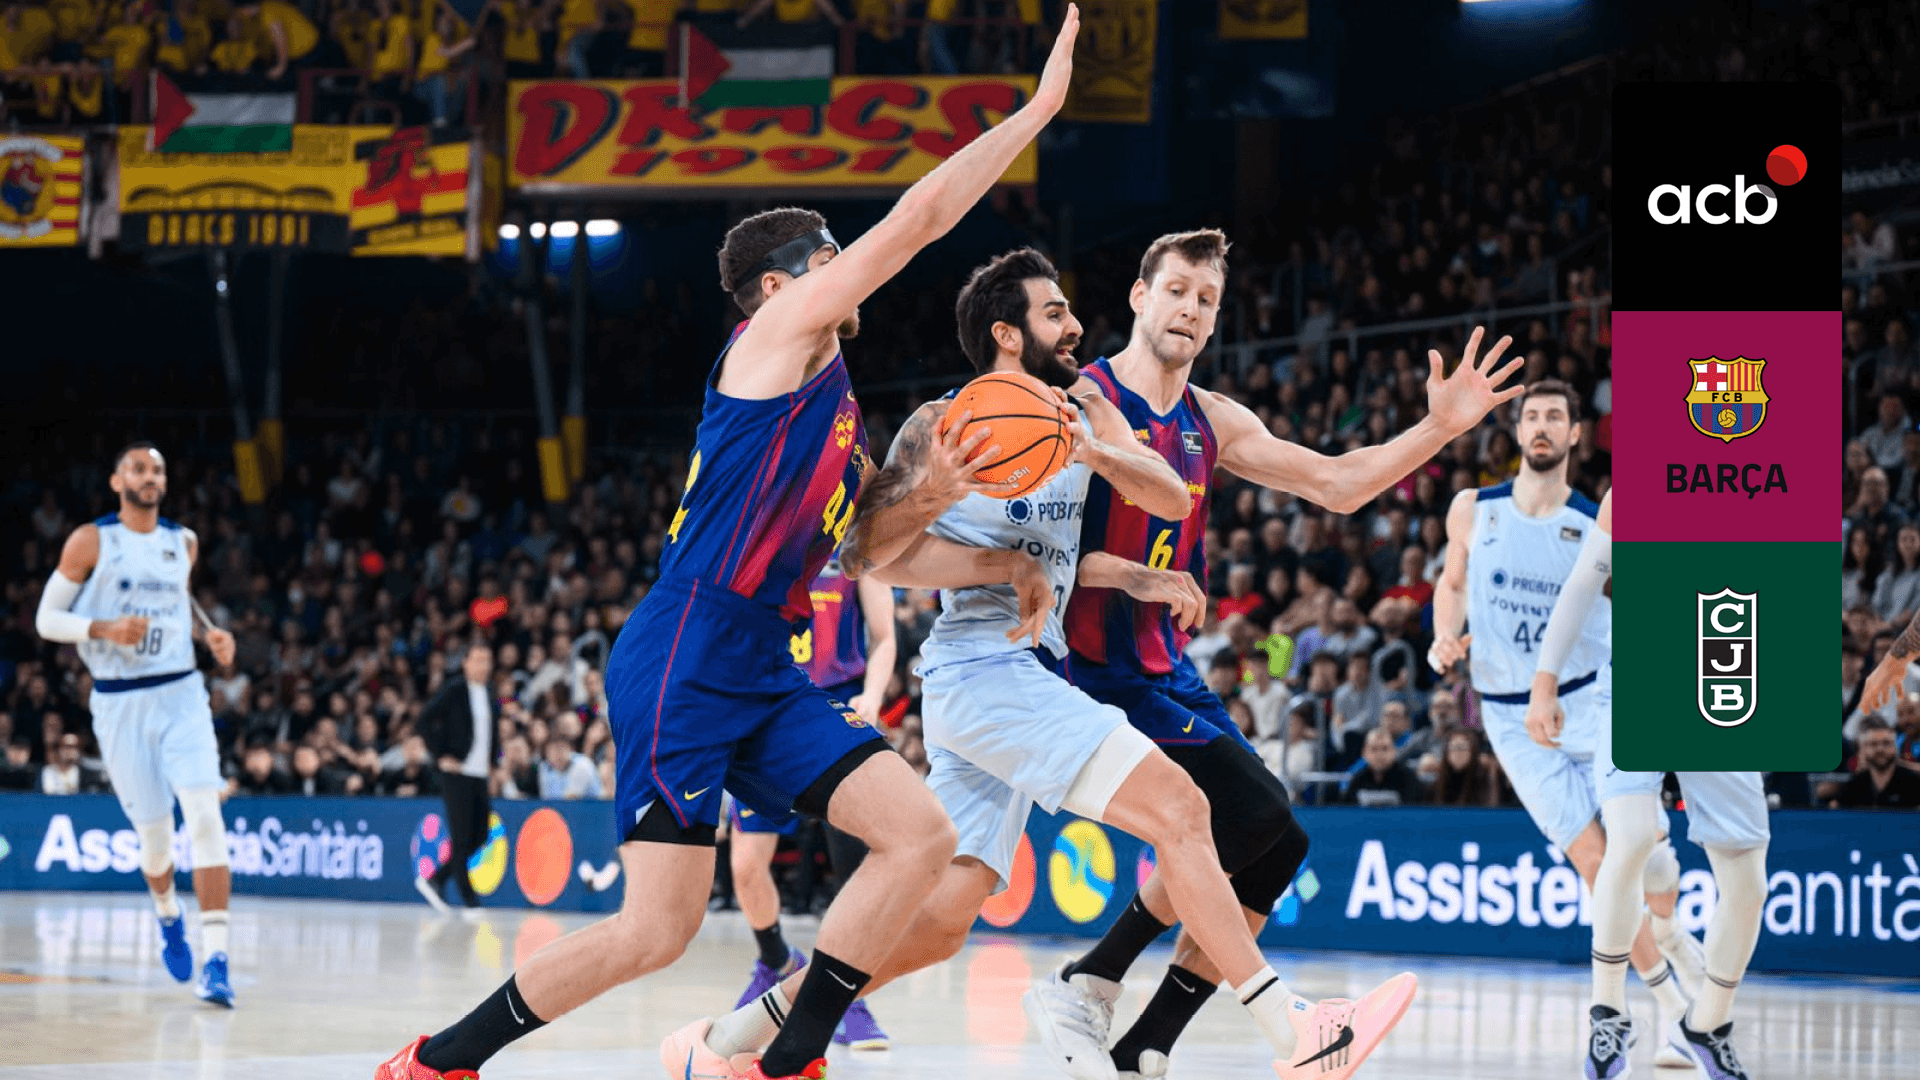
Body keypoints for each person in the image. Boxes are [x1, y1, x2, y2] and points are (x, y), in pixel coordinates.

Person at [379, 12, 1082, 1080]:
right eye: (828, 257)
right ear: (779, 286)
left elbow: (874, 554)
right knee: (654, 932)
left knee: (920, 838)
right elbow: (921, 219)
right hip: (688, 646)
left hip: (763, 659)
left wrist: (985, 543)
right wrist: (1035, 112)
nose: (846, 268)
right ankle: (437, 1060)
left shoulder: (838, 412)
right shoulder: (770, 342)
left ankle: (786, 1058)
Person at [682, 242, 1415, 1080]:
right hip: (979, 667)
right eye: (1055, 312)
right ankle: (1294, 1031)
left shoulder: (1086, 409)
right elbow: (867, 555)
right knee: (1181, 807)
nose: (1074, 326)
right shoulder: (941, 421)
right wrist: (958, 516)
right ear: (1007, 333)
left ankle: (733, 1039)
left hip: (1027, 669)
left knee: (943, 921)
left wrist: (1098, 461)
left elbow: (1168, 495)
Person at [1043, 227, 1524, 1080]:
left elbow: (1339, 485)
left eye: (1207, 299)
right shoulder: (1081, 400)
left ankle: (1146, 1045)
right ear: (1140, 296)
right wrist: (1136, 577)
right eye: (1177, 290)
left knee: (1279, 846)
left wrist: (1439, 427)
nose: (1191, 309)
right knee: (1254, 811)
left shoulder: (1213, 419)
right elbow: (1035, 555)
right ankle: (1094, 974)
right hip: (1093, 672)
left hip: (1167, 669)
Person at [1435, 383, 1704, 1068]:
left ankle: (1673, 936)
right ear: (1516, 430)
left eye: (1555, 416)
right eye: (1531, 416)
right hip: (1509, 717)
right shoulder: (1473, 507)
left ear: (1576, 433)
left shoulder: (1596, 521)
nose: (1542, 426)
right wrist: (1443, 635)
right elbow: (1452, 584)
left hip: (1595, 700)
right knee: (1595, 862)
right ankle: (1672, 1010)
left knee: (1651, 864)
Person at [1528, 488, 1773, 1080]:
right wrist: (1545, 680)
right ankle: (1609, 1014)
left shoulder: (1771, 482)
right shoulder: (1636, 490)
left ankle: (1706, 1025)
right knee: (1633, 837)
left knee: (1748, 882)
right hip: (1639, 680)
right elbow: (1585, 582)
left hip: (1727, 680)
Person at [34, 442, 240, 1007]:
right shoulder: (91, 541)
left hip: (181, 694)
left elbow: (179, 603)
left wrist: (210, 636)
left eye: (158, 470)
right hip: (120, 702)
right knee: (155, 840)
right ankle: (168, 913)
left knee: (205, 816)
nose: (150, 477)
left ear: (165, 484)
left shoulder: (183, 542)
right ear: (117, 480)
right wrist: (101, 629)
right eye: (139, 469)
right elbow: (47, 619)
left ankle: (217, 961)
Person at [727, 560, 897, 1051]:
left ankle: (847, 997)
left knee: (851, 869)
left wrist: (872, 695)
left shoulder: (859, 547)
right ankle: (776, 963)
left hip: (835, 709)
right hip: (770, 709)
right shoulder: (768, 543)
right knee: (745, 867)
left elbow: (885, 636)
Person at [413, 643, 499, 917]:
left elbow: (491, 733)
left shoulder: (489, 692)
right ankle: (469, 901)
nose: (484, 665)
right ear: (465, 663)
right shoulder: (455, 690)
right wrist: (440, 755)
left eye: (488, 660)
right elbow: (424, 721)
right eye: (478, 660)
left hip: (480, 775)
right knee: (461, 838)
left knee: (480, 835)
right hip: (456, 774)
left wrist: (494, 763)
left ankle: (435, 879)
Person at [1829, 716, 1920, 809]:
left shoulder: (1913, 783)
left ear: (1895, 747)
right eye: (1873, 744)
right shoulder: (1855, 784)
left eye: (1886, 743)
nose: (1880, 749)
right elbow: (1835, 807)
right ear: (1864, 749)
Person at [1341, 728, 1425, 807]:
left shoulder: (1409, 780)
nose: (1379, 755)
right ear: (1364, 753)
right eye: (1374, 749)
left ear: (1394, 752)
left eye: (1384, 749)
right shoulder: (1356, 782)